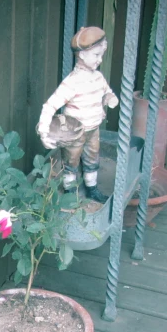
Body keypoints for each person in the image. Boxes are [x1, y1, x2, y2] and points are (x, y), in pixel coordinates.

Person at [37, 26, 119, 204]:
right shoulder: (72, 82)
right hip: (75, 132)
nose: (99, 59)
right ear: (82, 54)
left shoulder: (98, 77)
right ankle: (69, 192)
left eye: (101, 55)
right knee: (71, 162)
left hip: (93, 129)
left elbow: (107, 92)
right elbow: (50, 105)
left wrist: (109, 97)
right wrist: (44, 131)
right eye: (96, 55)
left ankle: (92, 189)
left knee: (92, 158)